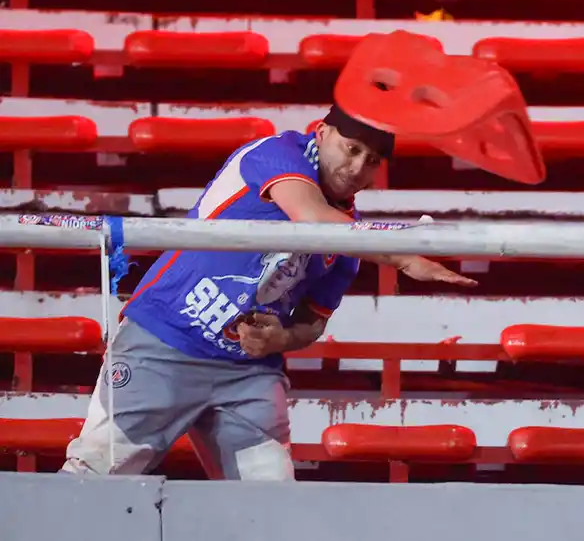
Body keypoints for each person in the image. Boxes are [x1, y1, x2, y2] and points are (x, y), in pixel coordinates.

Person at [61, 103, 477, 481]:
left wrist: (281, 338)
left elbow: (313, 323)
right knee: (90, 480)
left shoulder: (351, 240)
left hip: (247, 374)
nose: (357, 168)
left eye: (372, 161)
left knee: (270, 508)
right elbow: (310, 216)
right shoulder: (274, 154)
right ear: (322, 132)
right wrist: (403, 256)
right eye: (351, 150)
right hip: (162, 342)